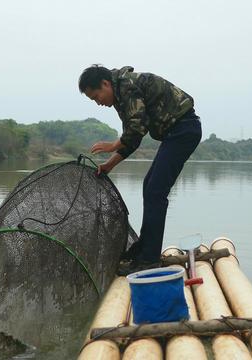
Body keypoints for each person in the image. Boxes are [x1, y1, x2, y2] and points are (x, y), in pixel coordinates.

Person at [78, 65, 202, 275]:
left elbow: (137, 128)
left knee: (155, 191)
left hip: (183, 130)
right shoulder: (121, 95)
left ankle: (149, 259)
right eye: (94, 100)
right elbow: (133, 139)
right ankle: (146, 249)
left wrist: (111, 145)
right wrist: (110, 164)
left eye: (97, 96)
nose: (98, 102)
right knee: (150, 186)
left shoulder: (127, 86)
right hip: (176, 132)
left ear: (106, 84)